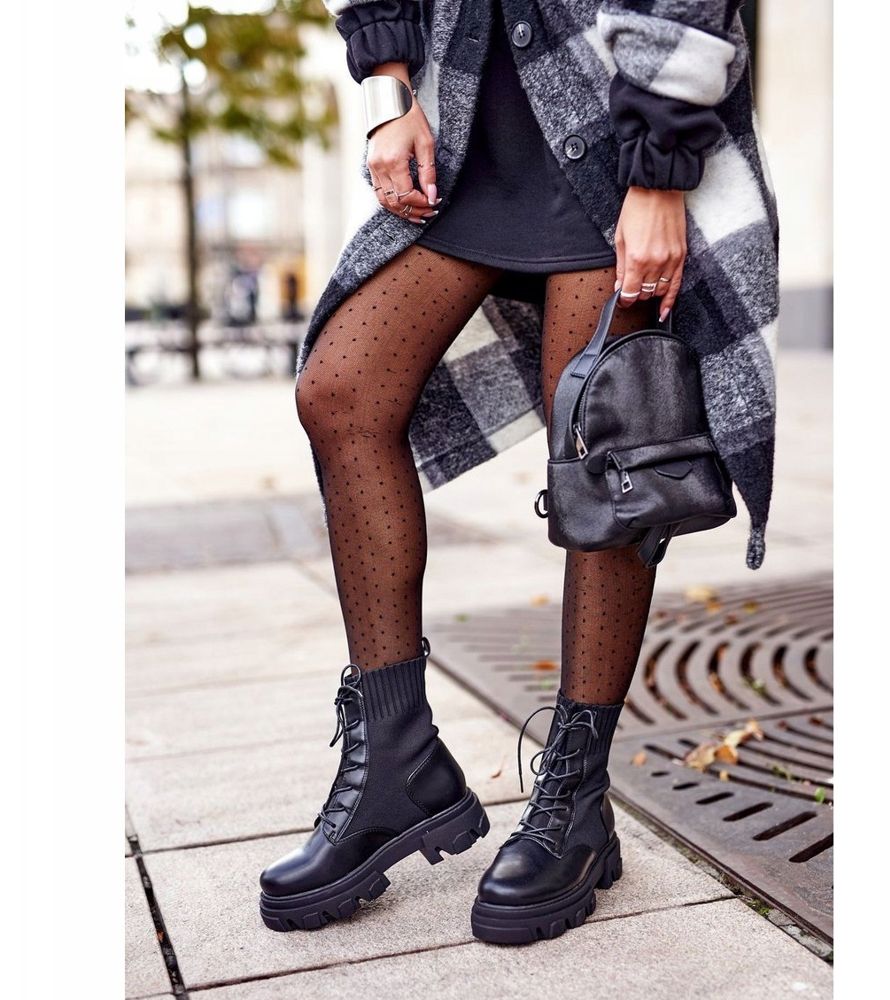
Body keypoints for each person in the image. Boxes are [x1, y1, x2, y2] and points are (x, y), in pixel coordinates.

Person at [259, 0, 778, 944]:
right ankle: (395, 759)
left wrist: (659, 169)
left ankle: (577, 796)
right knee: (341, 391)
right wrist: (388, 89)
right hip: (466, 112)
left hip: (615, 115)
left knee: (604, 444)